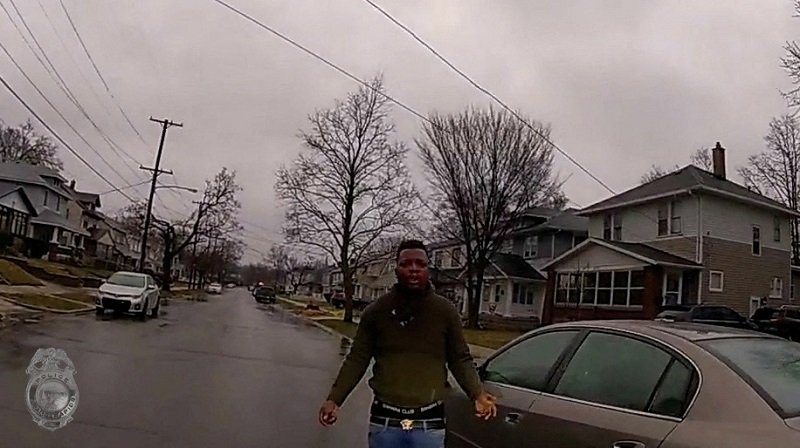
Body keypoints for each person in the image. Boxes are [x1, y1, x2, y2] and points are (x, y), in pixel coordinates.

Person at [318, 239, 497, 447]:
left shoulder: (445, 312)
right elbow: (357, 359)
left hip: (429, 424)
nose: (414, 269)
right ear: (396, 269)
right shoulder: (376, 312)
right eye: (406, 264)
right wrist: (335, 399)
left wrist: (477, 393)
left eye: (420, 264)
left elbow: (460, 358)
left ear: (428, 269)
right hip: (386, 423)